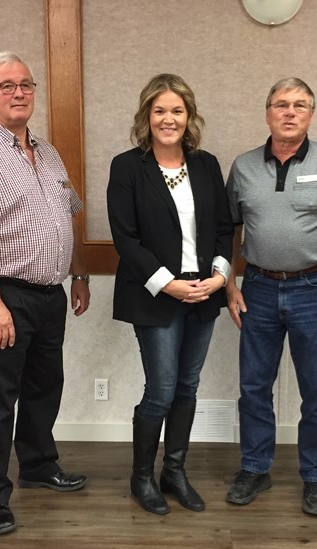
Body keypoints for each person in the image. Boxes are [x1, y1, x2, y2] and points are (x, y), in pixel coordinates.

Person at [0, 51, 90, 536]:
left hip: (49, 296)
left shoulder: (48, 153)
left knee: (45, 387)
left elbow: (66, 217)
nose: (18, 92)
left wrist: (81, 274)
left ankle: (38, 464)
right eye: (6, 85)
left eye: (25, 84)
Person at [225, 77, 317, 516]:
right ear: (267, 112)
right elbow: (230, 229)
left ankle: (316, 477)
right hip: (258, 288)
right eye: (281, 104)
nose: (289, 112)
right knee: (253, 386)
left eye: (299, 105)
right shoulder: (243, 166)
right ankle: (255, 467)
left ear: (311, 115)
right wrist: (229, 283)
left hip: (316, 290)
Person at [107, 74, 233, 515]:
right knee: (160, 390)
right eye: (159, 110)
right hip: (156, 296)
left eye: (176, 110)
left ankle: (174, 471)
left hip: (203, 293)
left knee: (187, 387)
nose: (168, 119)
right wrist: (168, 283)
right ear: (146, 116)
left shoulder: (206, 164)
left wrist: (219, 276)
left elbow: (222, 228)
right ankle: (142, 476)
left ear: (189, 116)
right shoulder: (127, 167)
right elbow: (126, 239)